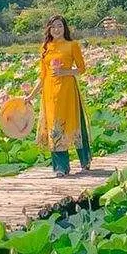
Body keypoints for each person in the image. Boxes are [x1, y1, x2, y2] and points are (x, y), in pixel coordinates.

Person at [36, 16, 92, 177]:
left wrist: (65, 72)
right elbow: (42, 76)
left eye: (60, 26)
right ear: (49, 30)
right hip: (50, 93)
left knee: (74, 125)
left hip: (68, 91)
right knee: (55, 129)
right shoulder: (45, 47)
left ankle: (84, 161)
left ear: (64, 28)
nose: (56, 30)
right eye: (53, 27)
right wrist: (30, 96)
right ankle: (61, 167)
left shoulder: (72, 45)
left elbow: (82, 69)